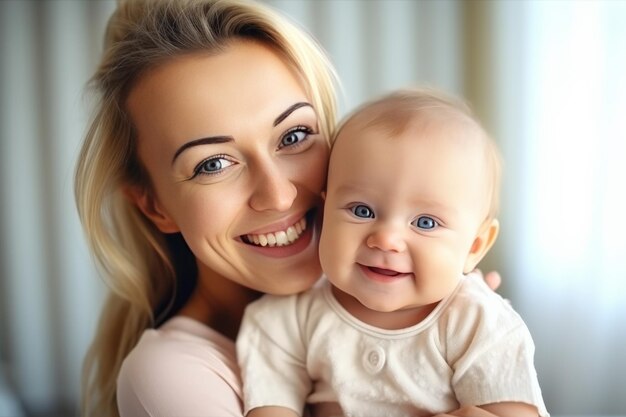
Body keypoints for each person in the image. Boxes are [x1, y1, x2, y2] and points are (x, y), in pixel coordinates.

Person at [74, 0, 502, 416]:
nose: (278, 195)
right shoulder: (171, 378)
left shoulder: (441, 308)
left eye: (294, 136)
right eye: (213, 164)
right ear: (155, 206)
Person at [237, 89, 548, 417]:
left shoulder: (477, 322)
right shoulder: (289, 317)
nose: (386, 239)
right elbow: (271, 403)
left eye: (425, 222)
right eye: (361, 210)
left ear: (474, 247)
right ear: (325, 211)